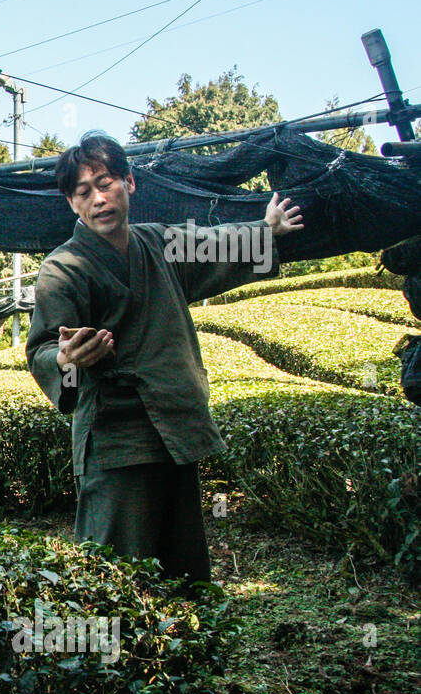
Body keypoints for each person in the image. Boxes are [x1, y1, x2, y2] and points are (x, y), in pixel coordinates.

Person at [25, 131, 304, 584]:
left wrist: (266, 230)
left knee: (184, 565)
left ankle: (189, 649)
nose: (98, 197)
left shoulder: (158, 244)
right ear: (71, 204)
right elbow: (42, 349)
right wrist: (66, 359)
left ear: (130, 184)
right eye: (83, 191)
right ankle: (112, 652)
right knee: (116, 572)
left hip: (175, 427)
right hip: (117, 438)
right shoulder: (63, 268)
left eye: (106, 182)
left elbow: (216, 243)